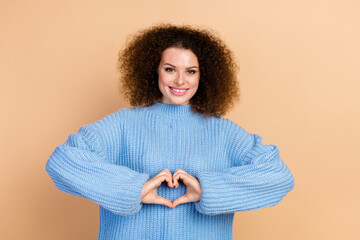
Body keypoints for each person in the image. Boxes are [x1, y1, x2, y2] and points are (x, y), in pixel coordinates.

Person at [46, 24, 294, 240]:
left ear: (203, 75)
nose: (180, 81)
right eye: (169, 69)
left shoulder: (225, 133)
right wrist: (132, 189)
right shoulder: (122, 125)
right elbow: (62, 161)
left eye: (190, 71)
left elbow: (279, 177)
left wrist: (208, 190)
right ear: (153, 70)